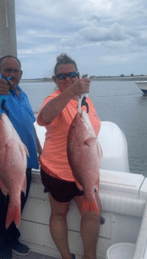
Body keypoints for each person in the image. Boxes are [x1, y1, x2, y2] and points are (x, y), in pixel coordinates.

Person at [37, 53, 102, 259]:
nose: (68, 79)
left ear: (78, 74)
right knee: (58, 214)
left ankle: (89, 256)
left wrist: (77, 93)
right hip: (57, 171)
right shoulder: (54, 99)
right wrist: (71, 91)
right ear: (55, 80)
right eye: (62, 76)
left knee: (92, 213)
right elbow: (44, 117)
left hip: (85, 170)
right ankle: (66, 256)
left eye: (72, 74)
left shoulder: (85, 100)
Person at [0, 55, 42, 259]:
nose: (11, 74)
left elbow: (29, 124)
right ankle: (0, 249)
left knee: (18, 204)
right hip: (0, 166)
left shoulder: (23, 95)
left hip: (25, 163)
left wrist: (40, 149)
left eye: (15, 71)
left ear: (21, 74)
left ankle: (12, 239)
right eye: (7, 70)